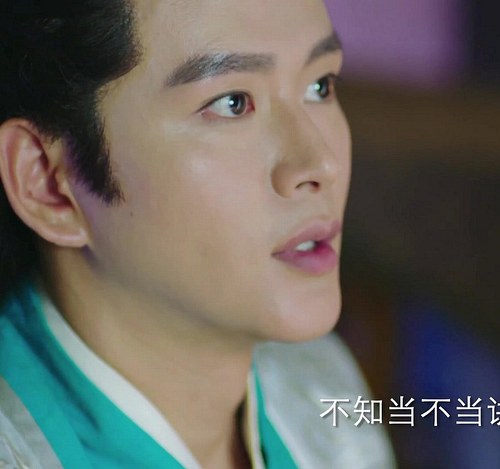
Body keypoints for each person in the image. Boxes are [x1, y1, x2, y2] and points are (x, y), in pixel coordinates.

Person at [0, 0, 395, 467]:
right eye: (232, 104)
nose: (320, 164)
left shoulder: (320, 389)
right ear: (47, 184)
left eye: (320, 85)